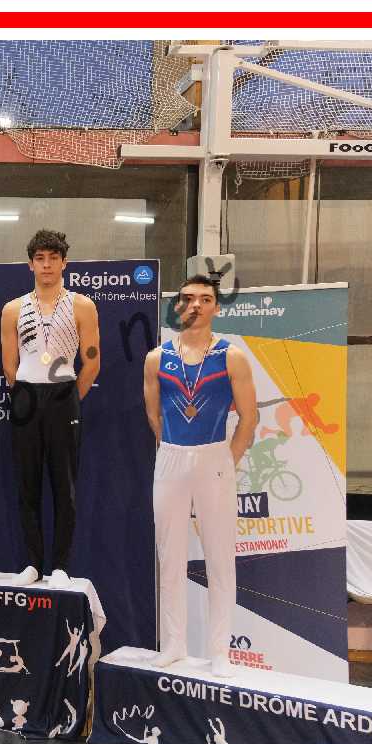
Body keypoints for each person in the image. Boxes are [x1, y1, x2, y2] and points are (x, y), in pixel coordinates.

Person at [142, 274, 258, 677]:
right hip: (171, 457)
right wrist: (174, 450)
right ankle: (174, 644)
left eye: (205, 299)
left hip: (214, 458)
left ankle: (219, 651)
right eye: (188, 298)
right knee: (170, 555)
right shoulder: (156, 358)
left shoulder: (232, 357)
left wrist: (226, 459)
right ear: (177, 306)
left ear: (216, 307)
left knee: (220, 558)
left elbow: (249, 418)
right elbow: (153, 414)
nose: (195, 305)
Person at [0, 230, 100, 588]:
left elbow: (92, 361)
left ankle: (59, 565)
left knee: (63, 484)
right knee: (27, 484)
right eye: (40, 259)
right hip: (26, 394)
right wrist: (26, 395)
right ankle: (32, 562)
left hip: (64, 394)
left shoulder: (82, 305)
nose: (46, 265)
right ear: (30, 264)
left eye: (53, 258)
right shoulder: (13, 309)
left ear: (64, 263)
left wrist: (69, 398)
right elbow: (9, 365)